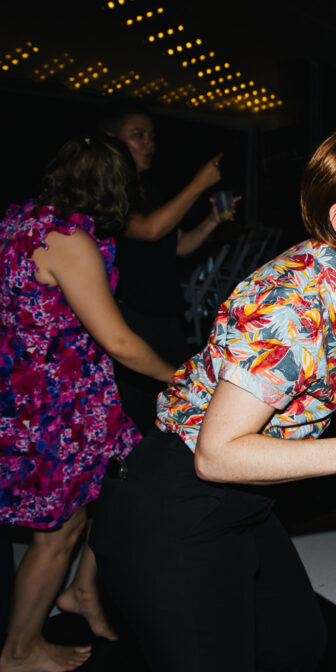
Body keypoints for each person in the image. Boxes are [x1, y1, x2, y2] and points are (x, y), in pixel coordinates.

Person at [89, 128, 336, 672]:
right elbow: (217, 454)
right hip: (175, 511)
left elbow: (299, 373)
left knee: (295, 645)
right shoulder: (292, 304)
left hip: (240, 504)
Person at [0, 136, 175, 672]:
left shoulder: (19, 219)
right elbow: (119, 341)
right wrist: (180, 377)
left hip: (56, 395)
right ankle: (19, 650)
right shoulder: (66, 241)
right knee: (54, 536)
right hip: (57, 409)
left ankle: (81, 591)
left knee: (114, 490)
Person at [100, 102, 237, 434]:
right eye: (138, 135)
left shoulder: (152, 191)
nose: (149, 144)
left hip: (165, 312)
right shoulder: (111, 194)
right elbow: (148, 230)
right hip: (131, 315)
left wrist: (211, 221)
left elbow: (177, 245)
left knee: (178, 405)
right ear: (111, 140)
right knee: (138, 410)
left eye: (151, 136)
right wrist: (199, 183)